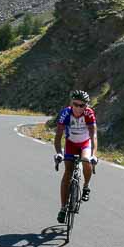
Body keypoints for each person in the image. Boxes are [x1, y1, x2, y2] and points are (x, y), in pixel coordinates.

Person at [53, 90, 97, 225]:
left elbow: (93, 136)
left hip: (84, 143)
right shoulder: (65, 113)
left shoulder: (89, 114)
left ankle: (86, 186)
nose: (78, 108)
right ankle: (63, 208)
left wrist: (93, 154)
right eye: (75, 104)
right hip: (71, 144)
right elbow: (58, 137)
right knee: (67, 173)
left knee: (86, 161)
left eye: (81, 105)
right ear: (71, 103)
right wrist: (59, 152)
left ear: (86, 106)